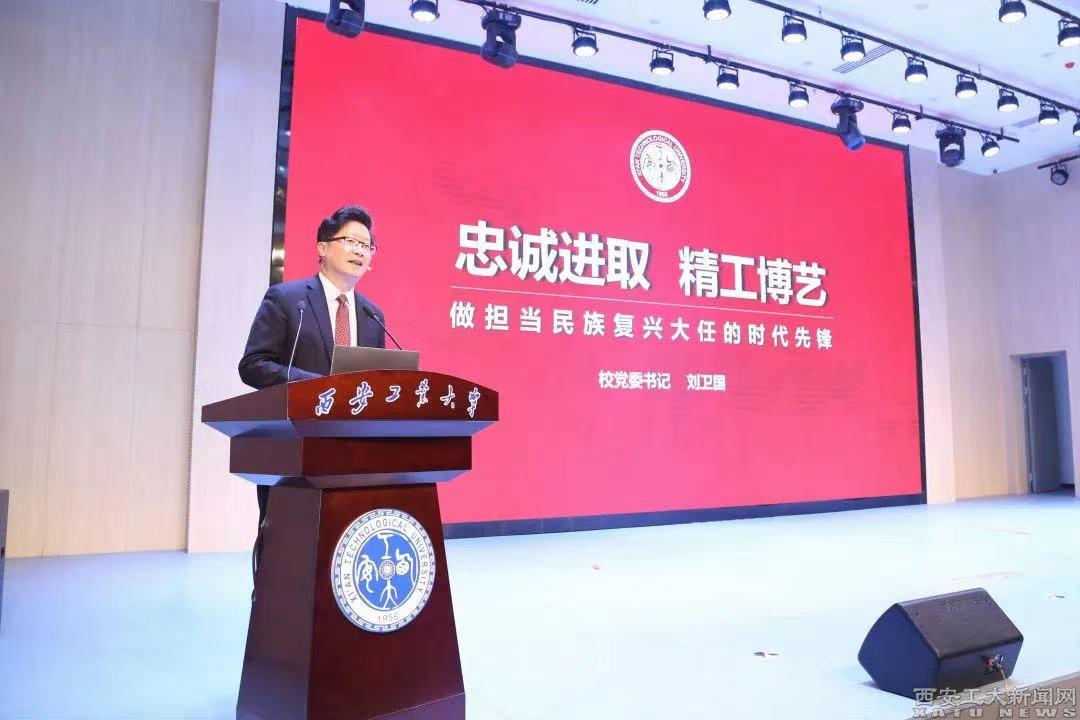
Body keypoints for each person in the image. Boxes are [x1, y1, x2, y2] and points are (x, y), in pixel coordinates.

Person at [238, 204, 386, 587]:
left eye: (367, 245)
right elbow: (253, 365)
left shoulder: (372, 315)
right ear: (323, 247)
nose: (360, 251)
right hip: (294, 449)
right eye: (351, 241)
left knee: (341, 554)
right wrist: (315, 384)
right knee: (287, 556)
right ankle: (273, 613)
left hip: (351, 455)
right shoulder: (286, 299)